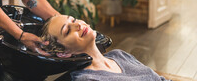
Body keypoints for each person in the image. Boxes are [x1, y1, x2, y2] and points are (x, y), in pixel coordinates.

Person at [40, 15, 170, 81]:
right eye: (67, 30)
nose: (78, 25)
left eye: (73, 20)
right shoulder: (87, 79)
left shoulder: (119, 55)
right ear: (64, 53)